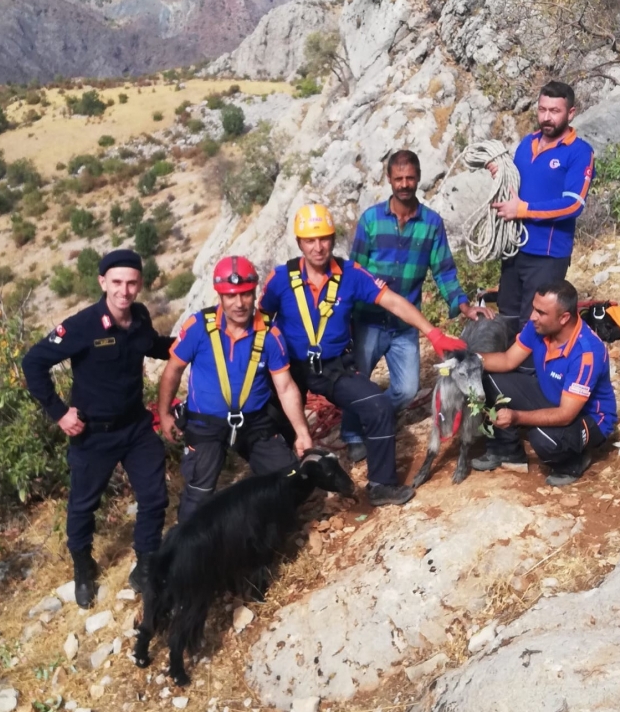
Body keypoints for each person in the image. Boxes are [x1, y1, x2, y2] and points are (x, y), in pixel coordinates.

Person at [259, 204, 466, 507]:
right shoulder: (281, 279)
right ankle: (287, 491)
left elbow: (393, 302)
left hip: (333, 366)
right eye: (310, 241)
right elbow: (260, 321)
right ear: (299, 243)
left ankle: (381, 485)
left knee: (379, 407)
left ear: (332, 239)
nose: (318, 247)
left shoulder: (350, 275)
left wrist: (432, 332)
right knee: (275, 427)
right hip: (287, 368)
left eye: (325, 239)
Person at [22, 249, 174, 607]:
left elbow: (151, 346)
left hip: (135, 427)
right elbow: (33, 362)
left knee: (155, 497)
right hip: (93, 435)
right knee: (82, 507)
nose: (124, 290)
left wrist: (192, 343)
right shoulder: (83, 325)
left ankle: (146, 564)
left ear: (140, 284)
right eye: (117, 282)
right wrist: (59, 413)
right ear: (103, 282)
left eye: (132, 282)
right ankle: (82, 567)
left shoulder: (138, 316)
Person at [342, 149, 494, 462]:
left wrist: (464, 306)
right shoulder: (371, 220)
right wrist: (344, 319)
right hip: (368, 320)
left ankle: (376, 416)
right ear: (389, 180)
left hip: (404, 325)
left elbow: (444, 271)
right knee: (357, 382)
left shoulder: (431, 224)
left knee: (408, 389)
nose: (404, 184)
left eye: (410, 177)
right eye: (398, 178)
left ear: (418, 178)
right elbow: (354, 272)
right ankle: (354, 434)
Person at [156, 255, 314, 523]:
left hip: (255, 422)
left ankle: (260, 531)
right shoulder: (199, 328)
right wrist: (164, 413)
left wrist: (302, 433)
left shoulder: (269, 334)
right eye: (231, 296)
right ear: (219, 295)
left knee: (290, 479)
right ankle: (188, 552)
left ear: (254, 293)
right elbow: (173, 370)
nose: (239, 303)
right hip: (207, 423)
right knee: (199, 494)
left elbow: (285, 387)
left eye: (245, 294)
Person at [476, 280, 617, 486]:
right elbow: (507, 360)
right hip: (553, 399)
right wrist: (467, 358)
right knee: (485, 376)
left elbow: (565, 414)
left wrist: (516, 417)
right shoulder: (538, 328)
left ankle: (573, 460)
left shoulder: (587, 353)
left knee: (544, 439)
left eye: (541, 312)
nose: (533, 316)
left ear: (564, 318)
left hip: (587, 418)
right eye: (534, 309)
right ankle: (506, 450)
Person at [488, 81, 595, 328]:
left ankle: (532, 368)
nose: (546, 117)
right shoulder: (527, 143)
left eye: (554, 111)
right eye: (542, 109)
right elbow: (514, 184)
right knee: (508, 315)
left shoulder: (579, 152)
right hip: (515, 249)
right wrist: (500, 173)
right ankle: (508, 366)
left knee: (534, 322)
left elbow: (573, 205)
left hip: (547, 256)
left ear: (570, 113)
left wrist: (522, 210)